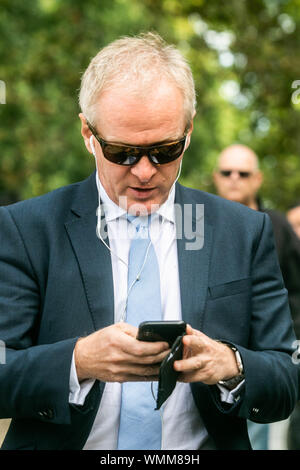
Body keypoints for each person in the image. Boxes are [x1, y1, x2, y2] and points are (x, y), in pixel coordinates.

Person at [0, 33, 298, 451]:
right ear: (88, 133)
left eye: (165, 150)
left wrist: (231, 366)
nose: (143, 171)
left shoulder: (243, 231)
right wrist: (78, 361)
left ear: (189, 133)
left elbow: (286, 378)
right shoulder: (25, 229)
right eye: (122, 152)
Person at [213, 144, 300, 449]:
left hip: (261, 363)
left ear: (257, 179)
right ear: (216, 177)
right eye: (227, 172)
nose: (234, 178)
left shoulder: (276, 225)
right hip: (206, 365)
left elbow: (296, 287)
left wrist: (290, 344)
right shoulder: (193, 223)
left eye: (243, 173)